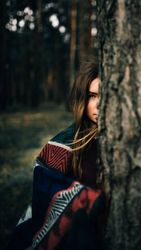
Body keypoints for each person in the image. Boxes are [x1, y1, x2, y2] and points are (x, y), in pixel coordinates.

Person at [8, 58, 105, 250]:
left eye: (104, 95)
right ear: (81, 99)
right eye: (92, 96)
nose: (99, 104)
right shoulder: (64, 144)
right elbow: (45, 194)